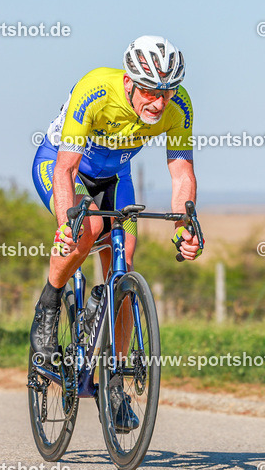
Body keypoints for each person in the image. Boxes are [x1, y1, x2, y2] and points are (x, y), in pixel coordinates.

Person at [29, 35, 202, 371]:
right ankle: (48, 303)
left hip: (116, 176)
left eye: (166, 92)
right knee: (88, 226)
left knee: (124, 262)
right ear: (128, 82)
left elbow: (182, 175)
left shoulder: (180, 106)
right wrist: (67, 224)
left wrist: (185, 227)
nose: (159, 102)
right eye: (150, 91)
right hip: (61, 165)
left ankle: (115, 379)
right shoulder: (96, 91)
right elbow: (66, 168)